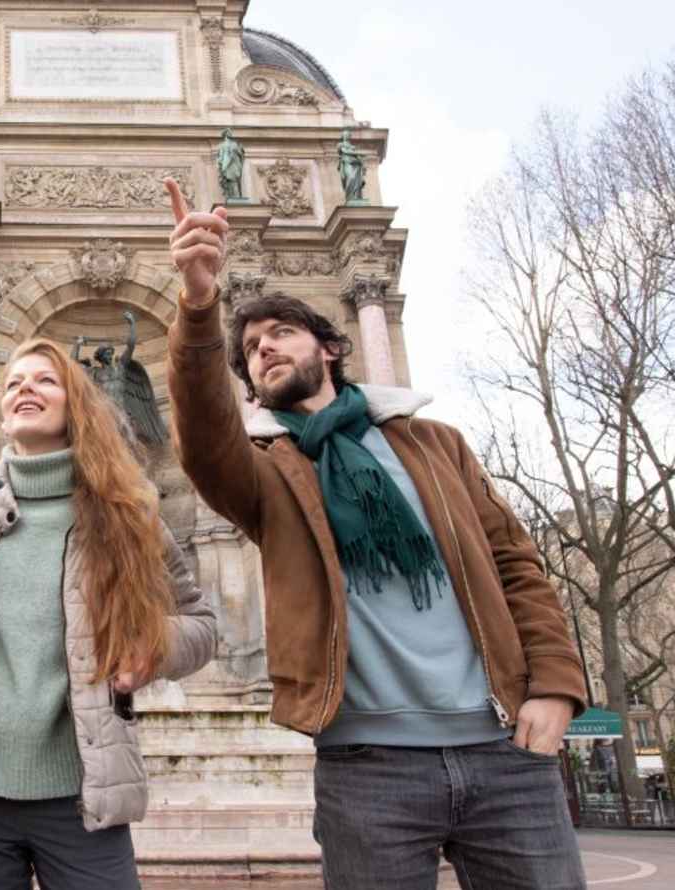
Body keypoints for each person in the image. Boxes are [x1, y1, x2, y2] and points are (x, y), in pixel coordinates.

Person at [162, 179, 589, 889]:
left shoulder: (436, 445)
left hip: (503, 750)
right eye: (252, 350)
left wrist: (554, 686)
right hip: (368, 766)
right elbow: (204, 438)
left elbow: (517, 569)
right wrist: (200, 304)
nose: (264, 350)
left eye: (280, 336)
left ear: (330, 347)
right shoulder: (269, 474)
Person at [0, 338, 217, 890]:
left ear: (76, 404)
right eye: (13, 382)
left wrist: (156, 648)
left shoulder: (129, 513)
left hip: (84, 797)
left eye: (44, 380)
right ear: (3, 414)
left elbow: (200, 622)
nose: (25, 388)